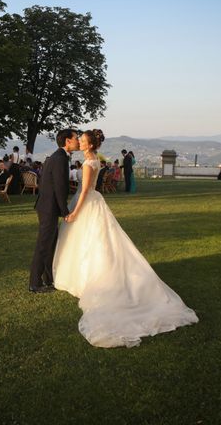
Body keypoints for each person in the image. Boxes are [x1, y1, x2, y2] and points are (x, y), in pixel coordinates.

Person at [52, 129, 198, 348]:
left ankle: (88, 278)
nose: (80, 143)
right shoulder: (94, 160)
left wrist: (74, 213)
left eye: (82, 141)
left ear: (91, 145)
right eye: (79, 140)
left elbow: (83, 192)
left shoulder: (88, 163)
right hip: (94, 201)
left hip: (87, 203)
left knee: (90, 242)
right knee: (96, 242)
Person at [29, 129, 80, 293]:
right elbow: (59, 187)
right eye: (76, 138)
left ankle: (49, 278)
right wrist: (65, 211)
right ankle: (34, 284)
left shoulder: (58, 156)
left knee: (51, 243)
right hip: (48, 207)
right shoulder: (59, 159)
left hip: (47, 206)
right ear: (67, 141)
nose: (78, 141)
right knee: (44, 244)